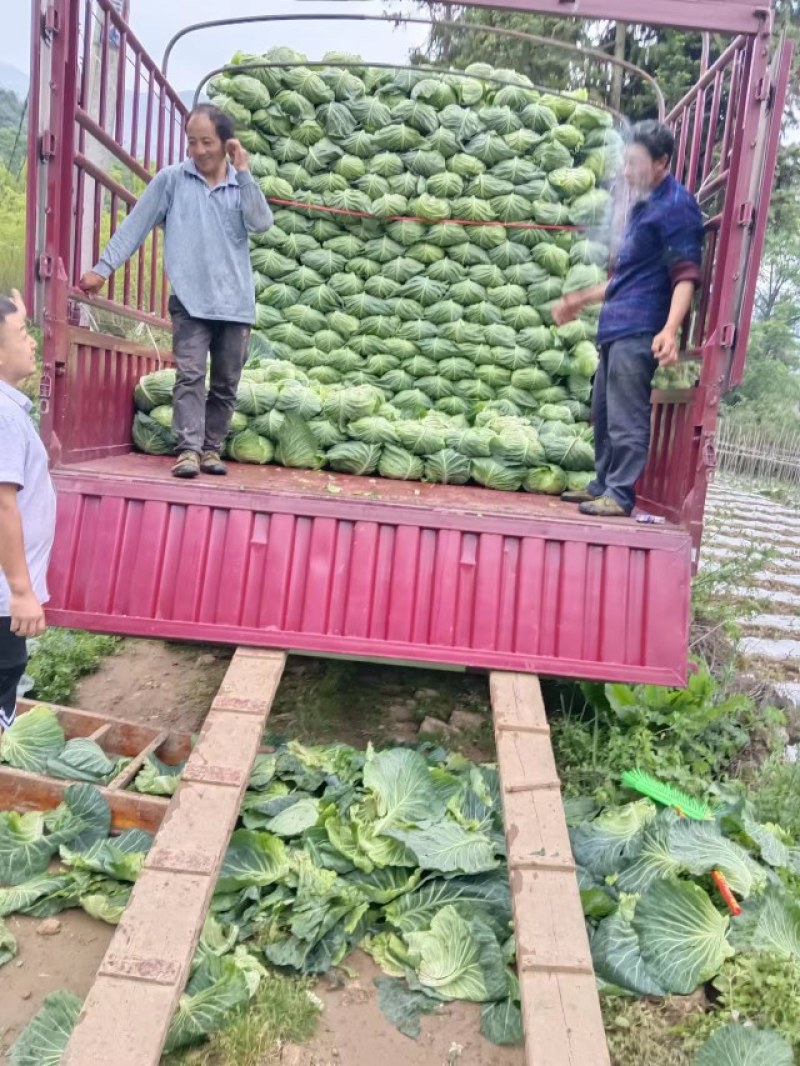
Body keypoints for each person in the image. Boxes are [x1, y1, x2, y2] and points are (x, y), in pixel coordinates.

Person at [80, 104, 273, 479]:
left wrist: (244, 170)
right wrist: (102, 268)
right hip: (189, 300)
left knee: (226, 383)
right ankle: (187, 450)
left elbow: (261, 223)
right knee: (189, 376)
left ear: (226, 143)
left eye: (206, 142)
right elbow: (135, 225)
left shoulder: (239, 185)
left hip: (235, 304)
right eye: (191, 142)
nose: (198, 150)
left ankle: (211, 449)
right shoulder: (172, 181)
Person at [553, 120, 704, 518]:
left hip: (639, 329)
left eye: (635, 162)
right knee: (603, 414)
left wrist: (670, 330)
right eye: (626, 161)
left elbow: (685, 274)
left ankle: (620, 495)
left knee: (626, 417)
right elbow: (624, 277)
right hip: (615, 327)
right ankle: (602, 484)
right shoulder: (644, 205)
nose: (627, 170)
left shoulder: (677, 206)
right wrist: (579, 300)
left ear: (661, 162)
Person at [0, 290, 56, 733]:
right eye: (22, 333)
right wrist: (21, 591)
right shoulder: (1, 414)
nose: (32, 342)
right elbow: (2, 504)